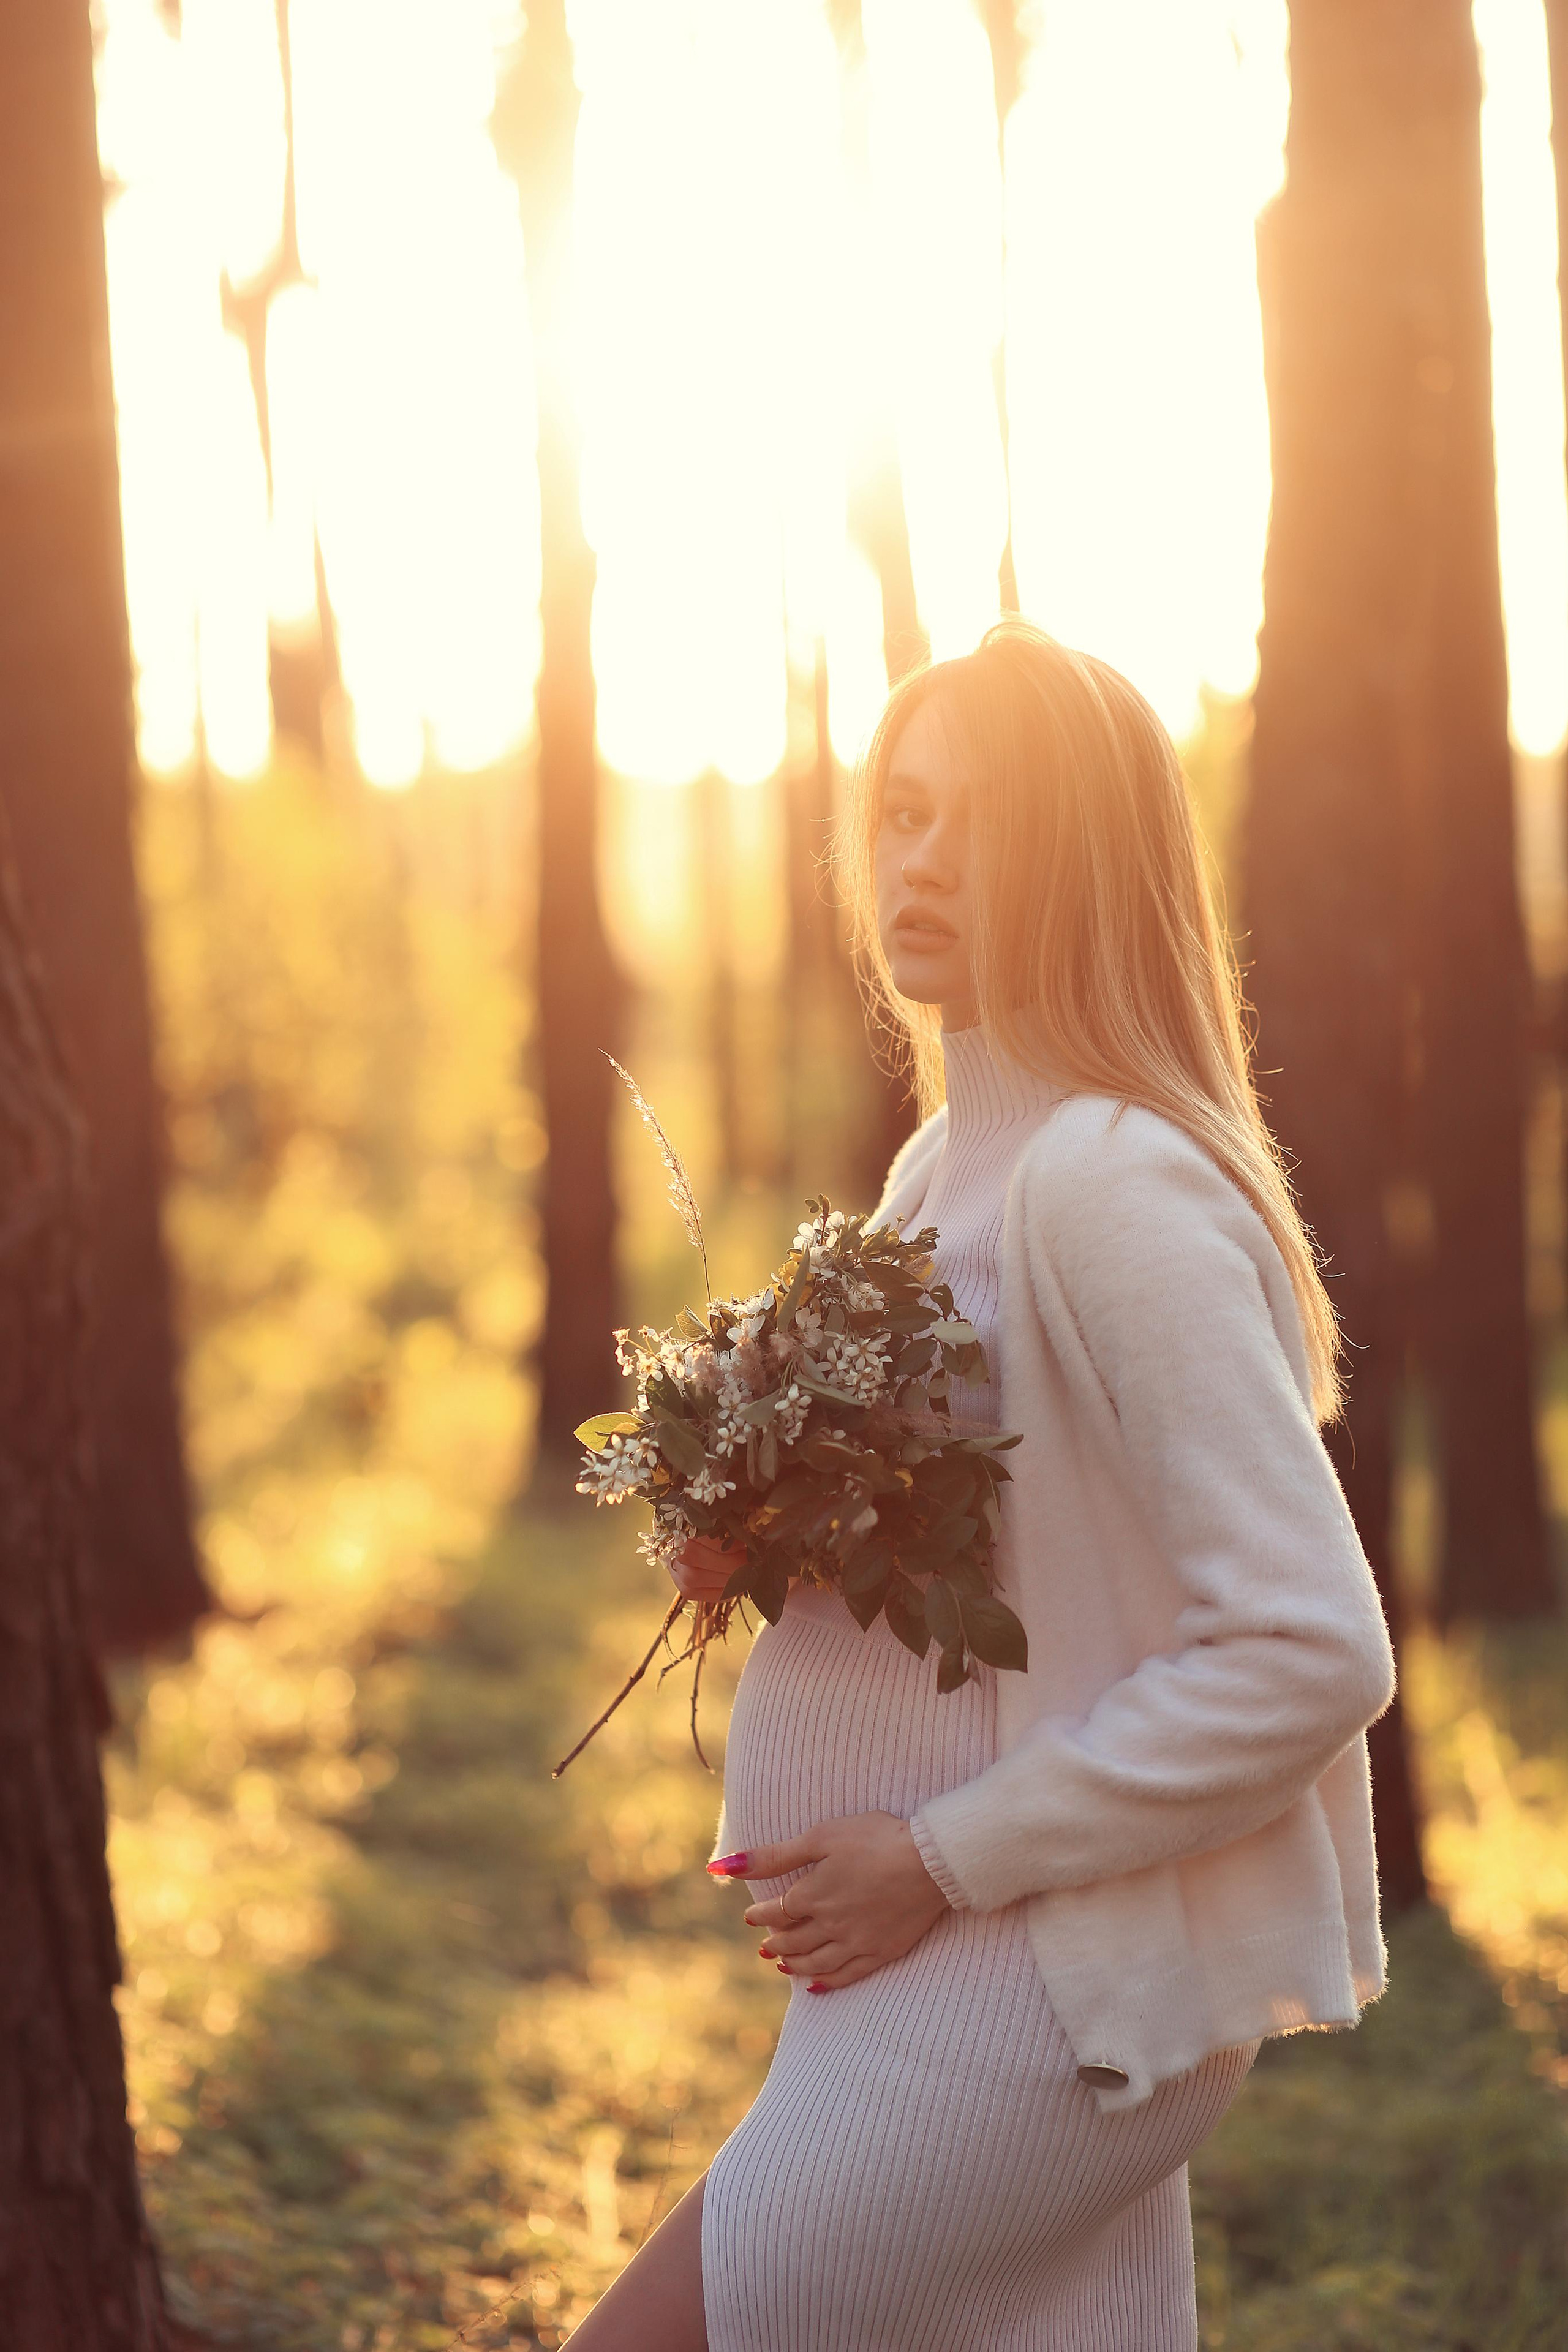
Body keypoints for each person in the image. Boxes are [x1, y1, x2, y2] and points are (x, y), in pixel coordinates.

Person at [568, 620, 1396, 2350]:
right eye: (902, 814)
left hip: (1037, 1989)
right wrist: (765, 1526)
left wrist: (937, 1859)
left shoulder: (1110, 1183)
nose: (917, 862)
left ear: (1086, 859)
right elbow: (999, 1549)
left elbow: (1314, 1651)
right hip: (933, 1968)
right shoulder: (953, 1156)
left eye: (980, 821)